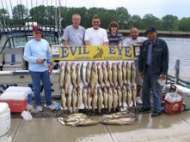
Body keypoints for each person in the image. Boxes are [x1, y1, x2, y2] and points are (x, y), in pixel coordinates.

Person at [24, 26, 56, 112]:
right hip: (34, 70)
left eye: (39, 32)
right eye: (36, 33)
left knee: (48, 87)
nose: (37, 34)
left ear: (41, 33)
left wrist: (50, 64)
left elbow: (49, 55)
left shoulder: (45, 42)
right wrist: (36, 60)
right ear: (33, 33)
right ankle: (38, 104)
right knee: (36, 88)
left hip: (45, 69)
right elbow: (26, 57)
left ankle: (49, 103)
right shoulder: (29, 44)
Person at [138, 27, 169, 117]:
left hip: (157, 72)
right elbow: (141, 58)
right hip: (146, 70)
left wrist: (164, 73)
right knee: (145, 90)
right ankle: (146, 107)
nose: (150, 35)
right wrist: (140, 70)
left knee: (156, 91)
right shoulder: (145, 43)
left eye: (152, 33)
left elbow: (165, 59)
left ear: (156, 33)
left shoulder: (162, 43)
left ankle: (157, 110)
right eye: (148, 34)